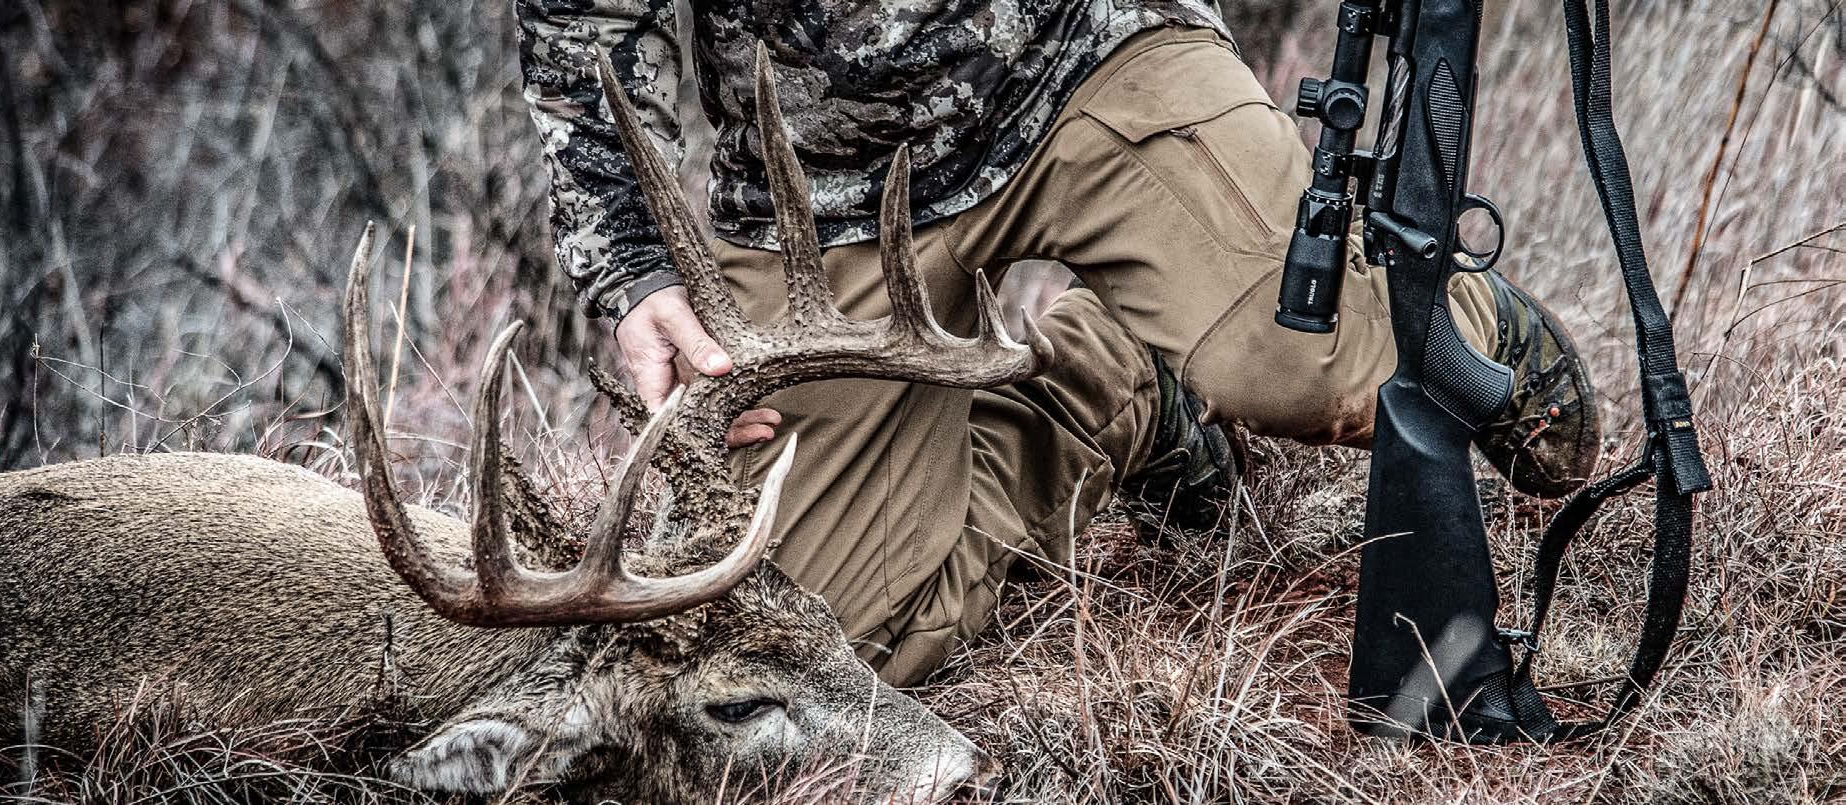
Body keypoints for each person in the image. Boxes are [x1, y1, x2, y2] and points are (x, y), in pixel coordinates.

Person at [512, 1, 1601, 686]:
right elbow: (578, 21)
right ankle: (1118, 381)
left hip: (1087, 54)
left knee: (1303, 360)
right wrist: (636, 270)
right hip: (821, 183)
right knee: (818, 640)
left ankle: (1460, 326)